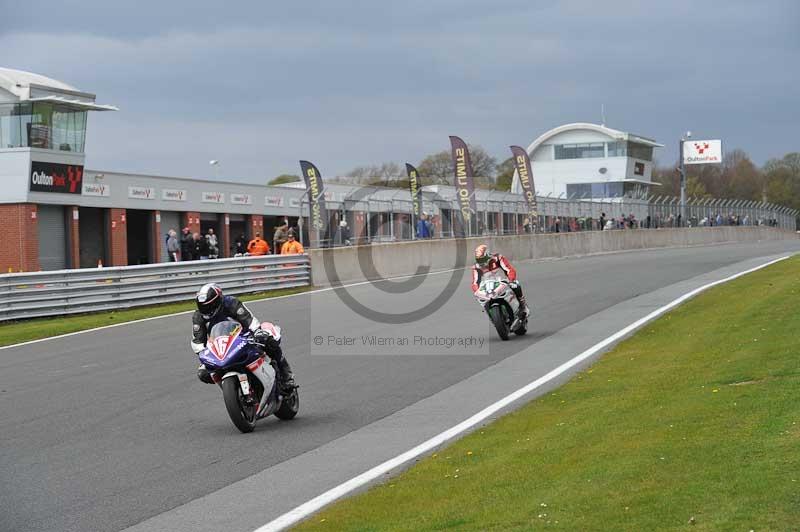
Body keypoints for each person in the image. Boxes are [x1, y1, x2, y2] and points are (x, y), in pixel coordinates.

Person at [191, 283, 295, 390]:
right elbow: (198, 341)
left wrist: (257, 332)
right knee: (203, 373)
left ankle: (287, 376)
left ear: (218, 301)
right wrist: (203, 354)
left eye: (209, 306)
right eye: (202, 306)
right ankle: (231, 389)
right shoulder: (198, 316)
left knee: (270, 341)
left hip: (243, 337)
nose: (205, 309)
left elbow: (249, 319)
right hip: (221, 348)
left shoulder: (231, 303)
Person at [471, 244, 529, 318]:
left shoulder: (497, 258)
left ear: (488, 255)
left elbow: (509, 269)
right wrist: (476, 290)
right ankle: (492, 317)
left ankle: (523, 306)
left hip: (502, 282)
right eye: (478, 260)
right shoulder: (476, 267)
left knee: (516, 284)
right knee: (481, 299)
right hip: (487, 287)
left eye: (482, 259)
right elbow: (475, 282)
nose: (481, 261)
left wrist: (511, 280)